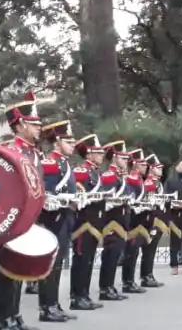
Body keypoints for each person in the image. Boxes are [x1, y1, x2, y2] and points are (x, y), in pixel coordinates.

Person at [0, 91, 43, 330]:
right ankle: (4, 319)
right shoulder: (9, 150)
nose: (39, 128)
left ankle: (15, 315)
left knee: (20, 268)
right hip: (12, 219)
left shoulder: (34, 152)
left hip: (29, 219)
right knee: (9, 269)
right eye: (34, 124)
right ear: (21, 124)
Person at [36, 120, 79, 322]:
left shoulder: (63, 163)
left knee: (58, 263)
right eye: (68, 141)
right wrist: (60, 200)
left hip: (65, 216)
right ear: (57, 142)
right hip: (53, 218)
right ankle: (47, 307)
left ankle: (54, 304)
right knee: (52, 263)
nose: (73, 145)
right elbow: (43, 194)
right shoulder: (50, 163)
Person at [69, 134, 106, 311]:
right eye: (98, 153)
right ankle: (77, 297)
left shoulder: (94, 173)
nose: (102, 156)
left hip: (94, 222)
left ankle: (84, 294)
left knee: (89, 260)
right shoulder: (81, 172)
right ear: (89, 154)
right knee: (81, 260)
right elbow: (79, 195)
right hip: (84, 223)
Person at [97, 140, 130, 301]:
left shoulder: (120, 176)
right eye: (123, 158)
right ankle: (105, 288)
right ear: (115, 157)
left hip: (120, 220)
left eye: (127, 159)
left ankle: (110, 286)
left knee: (115, 255)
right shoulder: (109, 176)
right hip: (111, 221)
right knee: (110, 255)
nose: (126, 161)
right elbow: (107, 199)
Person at [120, 149, 149, 294]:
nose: (146, 167)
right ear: (136, 165)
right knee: (130, 252)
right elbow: (131, 199)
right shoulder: (132, 179)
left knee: (134, 252)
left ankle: (130, 280)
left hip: (138, 219)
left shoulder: (138, 179)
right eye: (142, 164)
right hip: (132, 220)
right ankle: (127, 282)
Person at [139, 154, 165, 288]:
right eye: (158, 168)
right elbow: (148, 201)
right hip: (150, 220)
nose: (161, 170)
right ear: (151, 168)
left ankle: (149, 274)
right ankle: (145, 276)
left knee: (152, 249)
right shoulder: (149, 182)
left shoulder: (157, 182)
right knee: (148, 249)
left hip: (157, 219)